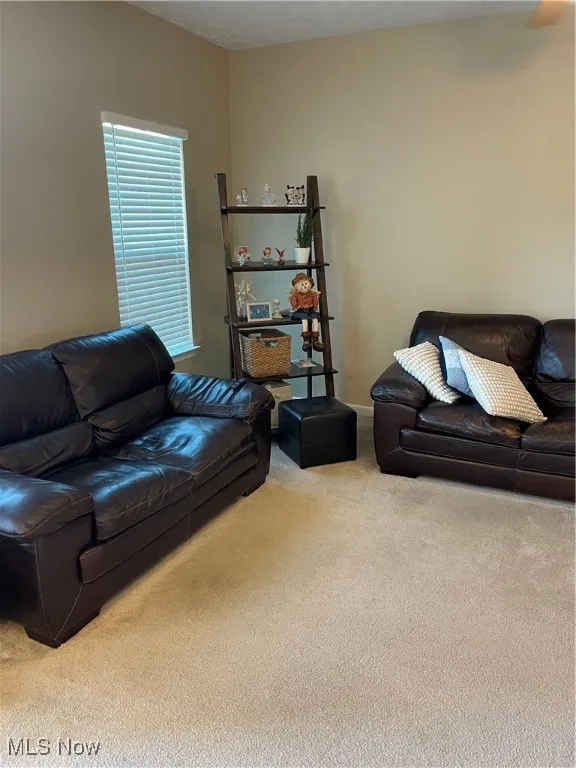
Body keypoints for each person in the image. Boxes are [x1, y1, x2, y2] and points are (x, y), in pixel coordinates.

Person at [289, 273, 324, 352]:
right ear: (297, 286)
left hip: (310, 310)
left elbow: (315, 302)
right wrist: (293, 299)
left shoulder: (312, 293)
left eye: (306, 283)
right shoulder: (296, 294)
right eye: (302, 284)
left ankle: (315, 341)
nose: (304, 286)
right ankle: (306, 341)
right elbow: (294, 304)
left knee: (315, 319)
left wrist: (315, 306)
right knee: (304, 320)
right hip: (300, 311)